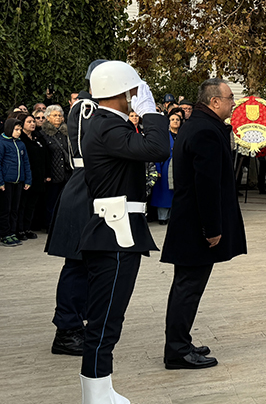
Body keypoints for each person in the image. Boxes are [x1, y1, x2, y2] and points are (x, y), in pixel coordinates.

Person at [77, 61, 169, 402]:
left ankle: (100, 389)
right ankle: (96, 394)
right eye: (133, 90)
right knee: (105, 321)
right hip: (113, 233)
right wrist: (151, 113)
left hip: (118, 229)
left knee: (109, 317)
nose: (136, 95)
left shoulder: (104, 124)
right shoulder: (107, 127)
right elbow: (159, 149)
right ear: (120, 92)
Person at [161, 78, 246, 370]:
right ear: (215, 102)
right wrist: (213, 228)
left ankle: (180, 342)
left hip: (189, 222)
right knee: (188, 288)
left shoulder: (198, 124)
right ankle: (176, 351)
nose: (233, 103)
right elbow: (206, 184)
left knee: (186, 286)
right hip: (196, 226)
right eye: (230, 97)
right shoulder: (205, 131)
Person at [45, 61, 104, 358]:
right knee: (76, 265)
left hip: (88, 187)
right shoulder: (87, 107)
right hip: (84, 187)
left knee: (85, 265)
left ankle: (74, 324)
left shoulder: (93, 106)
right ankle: (66, 329)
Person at [0, 118, 32, 247]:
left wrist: (28, 179)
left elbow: (26, 163)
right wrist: (1, 181)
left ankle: (12, 232)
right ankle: (5, 234)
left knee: (15, 208)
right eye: (16, 130)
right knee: (5, 209)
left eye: (19, 130)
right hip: (6, 182)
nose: (19, 132)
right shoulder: (2, 143)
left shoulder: (20, 144)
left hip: (19, 181)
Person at [152, 108, 185, 225]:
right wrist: (158, 169)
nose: (175, 121)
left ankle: (174, 216)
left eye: (177, 119)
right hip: (165, 166)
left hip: (179, 165)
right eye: (172, 119)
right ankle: (162, 217)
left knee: (176, 191)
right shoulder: (164, 136)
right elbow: (158, 152)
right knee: (163, 191)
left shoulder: (183, 135)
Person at [42, 104, 73, 226]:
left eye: (60, 115)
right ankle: (50, 225)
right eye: (54, 115)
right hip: (52, 174)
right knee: (51, 201)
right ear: (48, 117)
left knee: (64, 201)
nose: (58, 118)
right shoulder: (43, 134)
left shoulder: (66, 133)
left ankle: (63, 224)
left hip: (66, 172)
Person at [19, 114, 49, 240]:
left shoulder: (38, 137)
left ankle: (27, 228)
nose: (32, 124)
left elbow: (45, 155)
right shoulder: (21, 139)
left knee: (32, 205)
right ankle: (19, 229)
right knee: (22, 205)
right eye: (29, 122)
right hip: (26, 177)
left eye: (33, 121)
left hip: (38, 177)